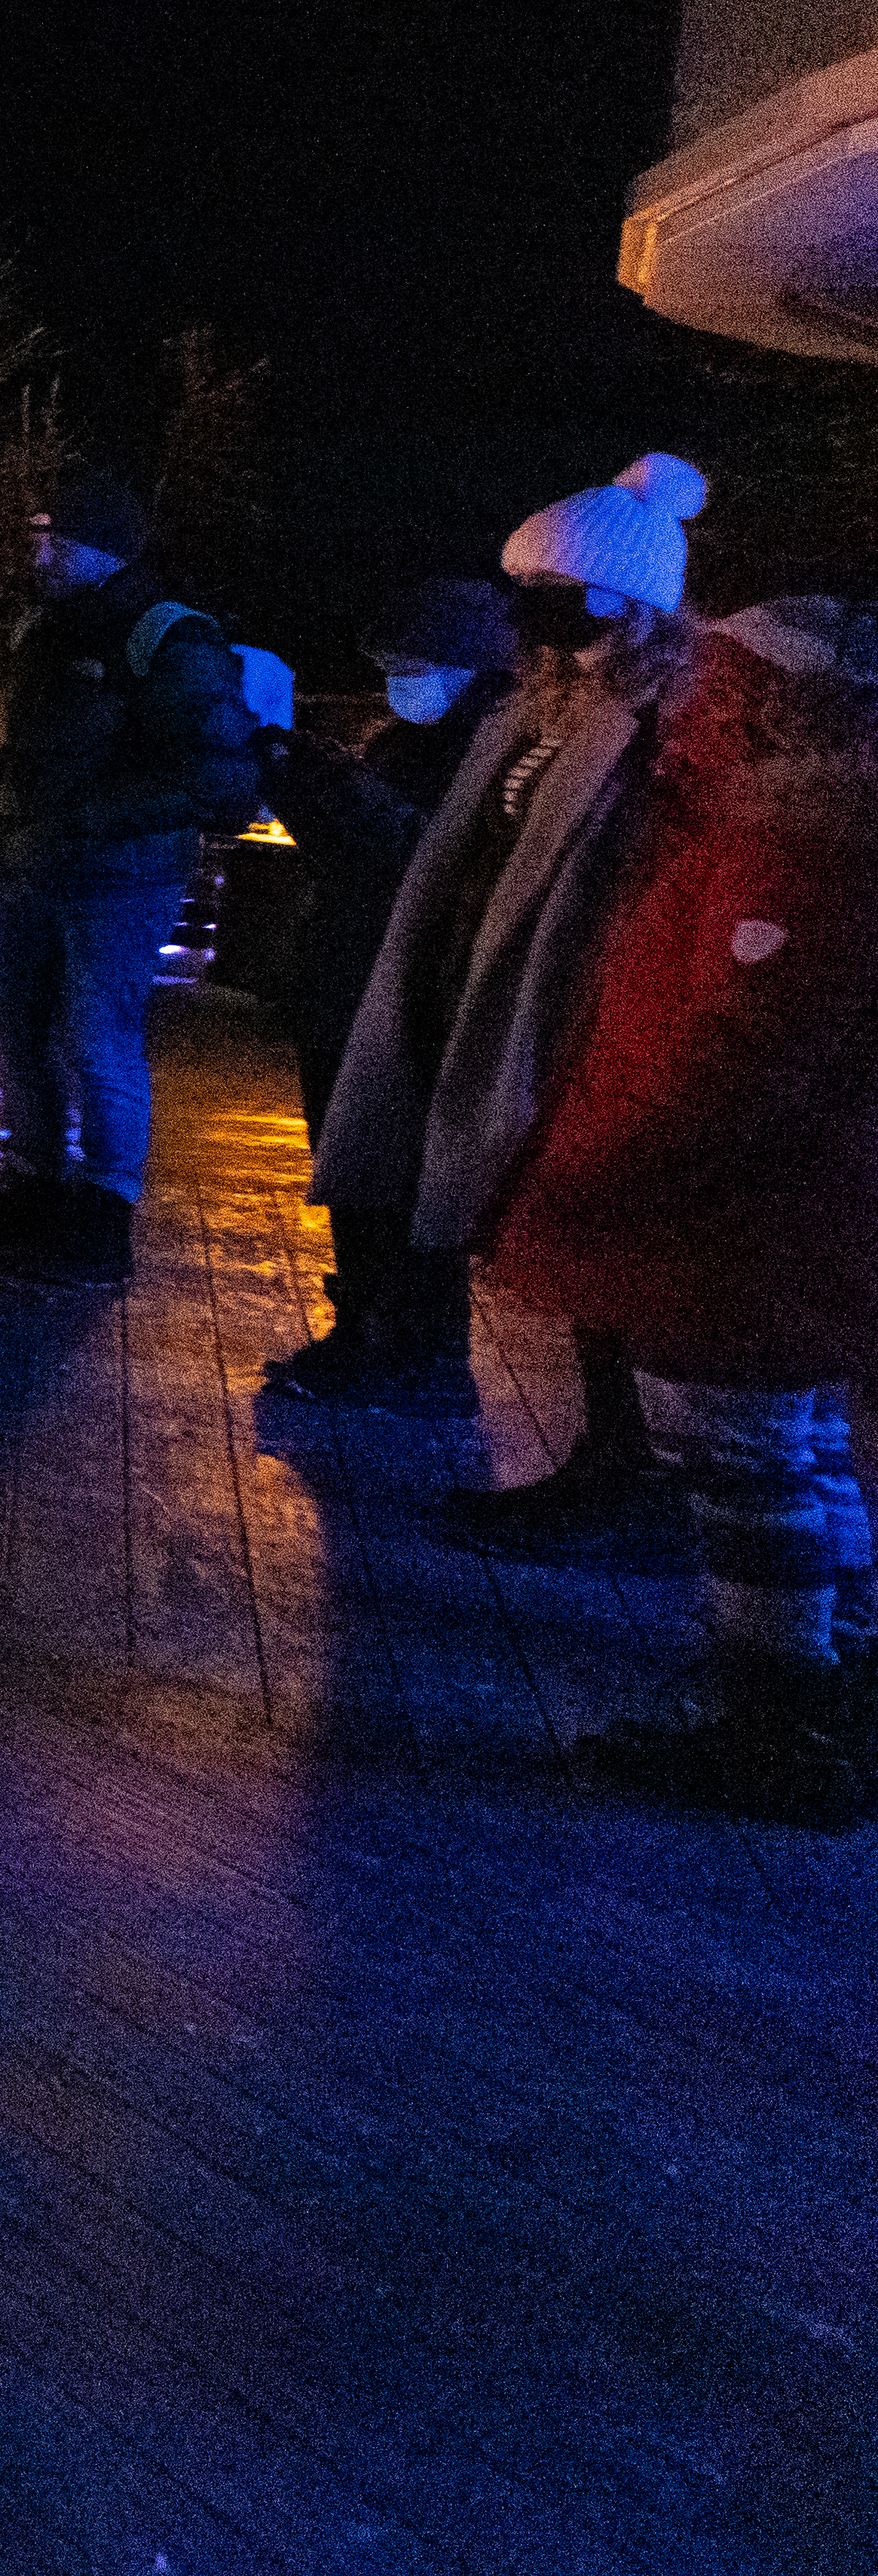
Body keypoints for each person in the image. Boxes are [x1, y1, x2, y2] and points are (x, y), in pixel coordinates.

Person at [477, 595, 876, 1826]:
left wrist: (600, 1169)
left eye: (717, 689)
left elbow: (738, 1057)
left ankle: (778, 1722)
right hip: (772, 1219)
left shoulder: (794, 849)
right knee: (788, 1452)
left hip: (745, 1227)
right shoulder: (773, 826)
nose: (686, 708)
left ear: (774, 707)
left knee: (745, 1458)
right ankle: (825, 1684)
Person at [323, 456, 709, 1551]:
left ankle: (632, 1474)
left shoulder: (663, 723)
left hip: (585, 1006)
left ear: (623, 601)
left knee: (595, 1238)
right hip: (487, 984)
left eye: (548, 585)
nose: (525, 610)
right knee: (548, 1230)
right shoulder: (536, 709)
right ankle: (607, 1458)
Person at [0, 460, 260, 1283]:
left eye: (52, 536)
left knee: (97, 1038)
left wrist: (89, 818)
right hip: (30, 865)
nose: (36, 551)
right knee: (11, 1026)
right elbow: (6, 740)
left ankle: (104, 1216)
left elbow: (221, 778)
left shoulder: (171, 635)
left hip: (117, 876)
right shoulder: (43, 625)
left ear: (102, 547)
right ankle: (31, 1187)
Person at [254, 578, 511, 1406]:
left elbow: (416, 856)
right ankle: (365, 1324)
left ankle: (412, 1345)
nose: (399, 679)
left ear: (468, 663)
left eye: (414, 662)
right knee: (353, 1164)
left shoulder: (491, 753)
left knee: (398, 1173)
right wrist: (303, 779)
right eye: (389, 663)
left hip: (414, 991)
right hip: (350, 979)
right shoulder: (405, 740)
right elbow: (355, 851)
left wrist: (337, 789)